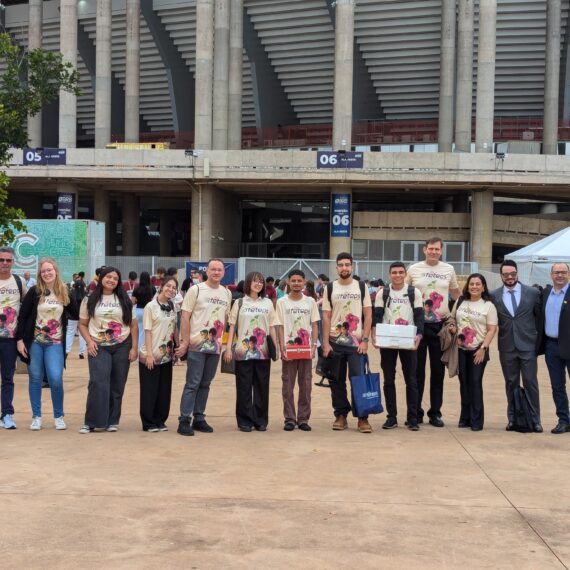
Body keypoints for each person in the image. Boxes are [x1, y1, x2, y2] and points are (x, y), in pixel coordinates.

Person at [16, 258, 78, 431]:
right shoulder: (35, 292)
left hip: (55, 343)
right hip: (34, 342)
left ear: (55, 271)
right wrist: (20, 340)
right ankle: (36, 417)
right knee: (35, 379)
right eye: (43, 271)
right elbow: (23, 316)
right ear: (40, 274)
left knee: (55, 379)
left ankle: (58, 416)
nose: (47, 273)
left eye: (49, 270)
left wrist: (70, 298)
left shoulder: (64, 291)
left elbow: (76, 313)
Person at [405, 237, 461, 427]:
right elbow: (405, 294)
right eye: (431, 248)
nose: (434, 252)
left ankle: (435, 413)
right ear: (424, 249)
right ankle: (416, 412)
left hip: (440, 327)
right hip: (419, 326)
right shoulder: (413, 269)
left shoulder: (448, 269)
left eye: (437, 249)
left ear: (441, 251)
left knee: (438, 372)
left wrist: (460, 314)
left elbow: (456, 294)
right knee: (417, 371)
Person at [175, 258, 232, 436]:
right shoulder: (196, 290)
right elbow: (185, 317)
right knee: (193, 383)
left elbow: (225, 319)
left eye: (219, 270)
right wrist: (184, 341)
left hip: (214, 346)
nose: (216, 272)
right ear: (206, 271)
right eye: (213, 269)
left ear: (223, 273)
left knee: (206, 383)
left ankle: (199, 417)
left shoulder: (226, 293)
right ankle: (184, 419)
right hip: (196, 344)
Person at [78, 266, 138, 433]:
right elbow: (82, 324)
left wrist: (134, 347)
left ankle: (112, 420)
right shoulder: (89, 299)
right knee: (98, 382)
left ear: (119, 282)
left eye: (115, 278)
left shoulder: (124, 299)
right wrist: (89, 342)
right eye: (108, 277)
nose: (111, 280)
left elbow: (133, 325)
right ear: (101, 278)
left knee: (117, 384)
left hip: (122, 345)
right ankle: (91, 422)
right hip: (98, 345)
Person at [322, 252, 373, 433]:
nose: (344, 268)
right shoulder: (329, 288)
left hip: (356, 344)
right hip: (335, 343)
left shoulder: (361, 287)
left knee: (358, 380)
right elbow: (326, 317)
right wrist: (326, 343)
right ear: (336, 268)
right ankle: (341, 415)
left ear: (352, 267)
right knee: (336, 380)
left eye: (347, 265)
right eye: (341, 265)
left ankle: (362, 418)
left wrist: (365, 340)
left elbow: (368, 314)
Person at [491, 260, 542, 432]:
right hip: (507, 347)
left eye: (513, 274)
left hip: (528, 345)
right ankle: (512, 418)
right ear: (501, 276)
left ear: (517, 273)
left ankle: (535, 420)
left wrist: (538, 341)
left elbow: (539, 318)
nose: (510, 277)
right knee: (511, 383)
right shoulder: (494, 295)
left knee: (530, 383)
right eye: (506, 274)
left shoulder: (533, 293)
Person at [224, 271, 279, 432]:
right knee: (244, 386)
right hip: (243, 351)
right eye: (255, 281)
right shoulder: (239, 302)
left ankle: (261, 420)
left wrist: (275, 347)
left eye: (261, 281)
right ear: (248, 283)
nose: (259, 284)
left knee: (262, 386)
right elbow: (232, 327)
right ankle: (244, 420)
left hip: (263, 352)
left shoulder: (267, 303)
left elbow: (272, 327)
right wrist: (228, 349)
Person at [372, 262, 424, 431]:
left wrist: (419, 335)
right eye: (394, 272)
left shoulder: (413, 292)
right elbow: (377, 316)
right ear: (389, 275)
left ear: (405, 274)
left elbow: (419, 316)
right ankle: (391, 417)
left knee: (411, 380)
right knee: (388, 379)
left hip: (407, 340)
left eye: (401, 272)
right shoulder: (383, 293)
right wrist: (375, 335)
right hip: (388, 340)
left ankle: (413, 418)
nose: (397, 275)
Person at [449, 274, 497, 431]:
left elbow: (491, 329)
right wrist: (453, 328)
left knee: (475, 383)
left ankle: (477, 420)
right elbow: (452, 319)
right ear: (467, 286)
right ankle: (465, 418)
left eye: (478, 284)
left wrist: (483, 348)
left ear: (483, 287)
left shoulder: (488, 305)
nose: (474, 287)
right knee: (464, 383)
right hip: (461, 350)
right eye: (472, 284)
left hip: (478, 350)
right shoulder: (461, 301)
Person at [276, 269, 320, 432]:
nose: (296, 283)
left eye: (299, 281)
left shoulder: (310, 302)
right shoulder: (282, 302)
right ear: (288, 282)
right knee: (287, 384)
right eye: (293, 280)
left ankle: (303, 419)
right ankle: (289, 418)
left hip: (305, 348)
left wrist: (314, 345)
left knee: (306, 384)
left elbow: (315, 325)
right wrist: (282, 347)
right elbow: (279, 326)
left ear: (304, 282)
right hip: (289, 349)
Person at [139, 276, 178, 432]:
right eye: (168, 286)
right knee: (150, 390)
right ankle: (148, 422)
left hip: (166, 356)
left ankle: (160, 420)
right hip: (151, 355)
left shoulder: (172, 306)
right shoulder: (150, 306)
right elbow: (147, 331)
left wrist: (179, 347)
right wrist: (149, 354)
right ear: (161, 286)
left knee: (164, 390)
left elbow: (174, 329)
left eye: (174, 287)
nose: (171, 289)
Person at [539, 262, 570, 434]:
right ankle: (564, 420)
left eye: (563, 272)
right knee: (557, 386)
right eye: (557, 272)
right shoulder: (545, 294)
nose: (560, 275)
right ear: (551, 275)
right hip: (551, 346)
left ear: (569, 274)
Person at [0, 247, 26, 430]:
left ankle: (7, 414)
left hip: (9, 338)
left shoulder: (18, 282)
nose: (4, 263)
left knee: (8, 378)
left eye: (8, 260)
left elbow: (29, 304)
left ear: (13, 262)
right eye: (1, 260)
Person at [66, 276, 88, 359]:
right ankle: (81, 353)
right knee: (82, 335)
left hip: (72, 317)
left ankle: (67, 351)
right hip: (83, 317)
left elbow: (67, 305)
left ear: (74, 285)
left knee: (70, 333)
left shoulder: (70, 293)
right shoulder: (86, 294)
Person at [132, 271, 154, 350]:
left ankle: (138, 350)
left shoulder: (137, 288)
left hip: (138, 311)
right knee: (148, 332)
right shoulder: (152, 288)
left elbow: (132, 302)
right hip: (148, 311)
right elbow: (153, 301)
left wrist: (138, 301)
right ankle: (147, 349)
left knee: (139, 332)